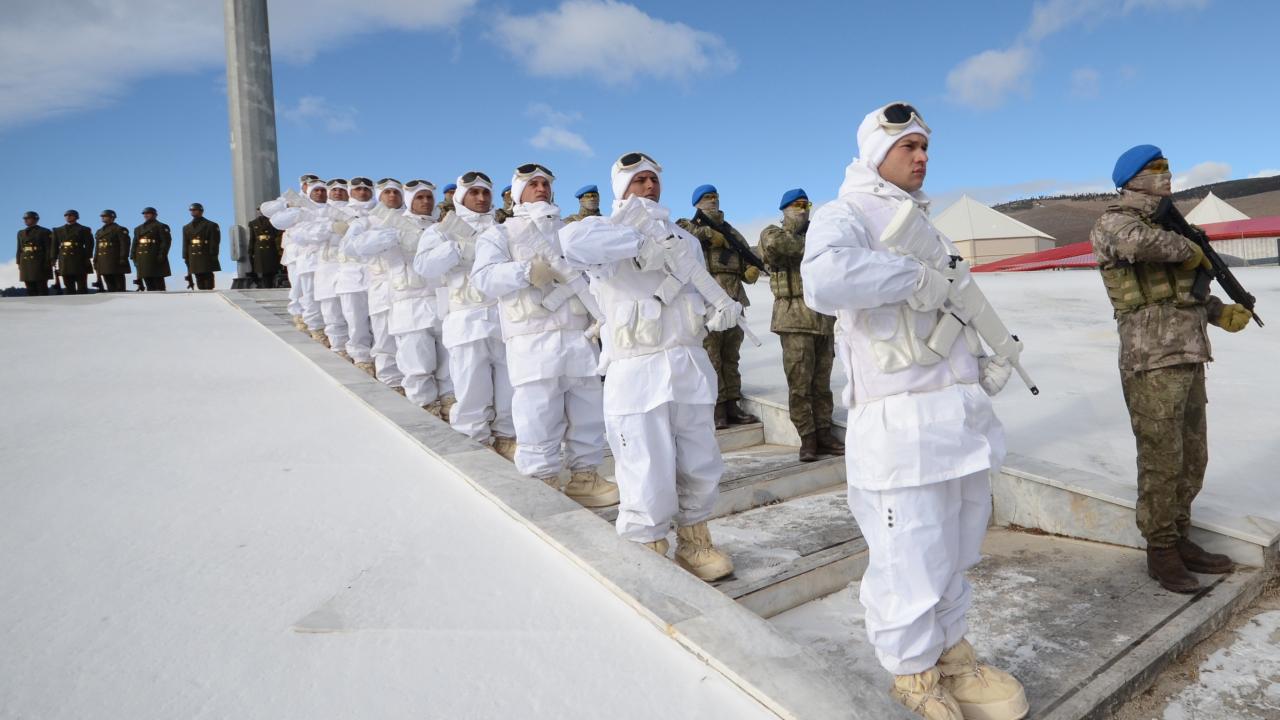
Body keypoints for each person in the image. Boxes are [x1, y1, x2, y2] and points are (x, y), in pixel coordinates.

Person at [801, 102, 1027, 720]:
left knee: (955, 551)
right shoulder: (845, 213)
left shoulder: (926, 224)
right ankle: (913, 675)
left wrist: (981, 363)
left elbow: (954, 310)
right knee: (910, 559)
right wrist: (910, 276)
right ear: (877, 153)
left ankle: (951, 654)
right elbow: (823, 280)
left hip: (957, 421)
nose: (922, 157)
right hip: (899, 427)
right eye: (909, 147)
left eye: (926, 146)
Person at [559, 151, 738, 581]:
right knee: (644, 466)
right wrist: (638, 241)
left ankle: (694, 540)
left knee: (699, 461)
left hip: (687, 366)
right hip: (636, 371)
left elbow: (692, 291)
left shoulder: (684, 240)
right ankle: (647, 548)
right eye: (638, 180)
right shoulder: (605, 231)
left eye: (653, 179)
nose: (648, 186)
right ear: (621, 188)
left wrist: (715, 312)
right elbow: (572, 244)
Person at [1090, 145, 1245, 594]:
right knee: (1161, 460)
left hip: (1189, 355)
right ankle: (1160, 552)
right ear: (1132, 180)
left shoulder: (1173, 228)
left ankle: (1179, 538)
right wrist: (1190, 247)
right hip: (1151, 360)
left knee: (1192, 457)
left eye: (1167, 167)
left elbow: (1183, 293)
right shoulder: (1115, 223)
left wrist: (1217, 311)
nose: (1167, 174)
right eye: (1156, 169)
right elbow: (1136, 244)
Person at [472, 163, 615, 506]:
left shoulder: (569, 231)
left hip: (579, 337)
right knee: (537, 415)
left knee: (587, 413)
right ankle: (542, 481)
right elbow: (483, 278)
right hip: (532, 340)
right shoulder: (501, 234)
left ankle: (585, 476)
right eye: (532, 184)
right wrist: (525, 271)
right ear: (517, 192)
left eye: (545, 184)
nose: (540, 189)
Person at [414, 171, 517, 458]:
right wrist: (456, 249)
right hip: (466, 321)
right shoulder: (442, 231)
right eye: (474, 192)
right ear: (461, 196)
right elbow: (423, 267)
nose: (481, 198)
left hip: (504, 320)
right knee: (472, 391)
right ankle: (476, 447)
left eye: (485, 192)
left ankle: (506, 439)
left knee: (509, 390)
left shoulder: (504, 229)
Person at [350, 180, 454, 416]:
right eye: (419, 197)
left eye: (429, 197)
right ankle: (425, 408)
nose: (425, 202)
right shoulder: (391, 225)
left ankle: (448, 402)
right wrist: (393, 236)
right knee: (417, 364)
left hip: (442, 301)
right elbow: (357, 247)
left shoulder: (442, 227)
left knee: (448, 362)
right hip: (409, 304)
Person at [759, 188, 844, 461]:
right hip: (793, 319)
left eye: (806, 205)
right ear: (784, 209)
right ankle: (807, 438)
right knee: (799, 384)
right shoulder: (771, 233)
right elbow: (779, 246)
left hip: (823, 319)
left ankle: (824, 433)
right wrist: (816, 242)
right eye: (796, 205)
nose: (803, 209)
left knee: (822, 385)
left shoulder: (818, 232)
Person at [677, 185, 761, 429]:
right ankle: (717, 408)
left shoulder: (731, 232)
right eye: (707, 198)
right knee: (711, 358)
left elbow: (744, 258)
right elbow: (679, 235)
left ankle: (733, 404)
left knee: (731, 357)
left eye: (715, 197)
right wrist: (707, 233)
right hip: (708, 305)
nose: (712, 201)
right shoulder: (687, 225)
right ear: (696, 203)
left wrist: (749, 271)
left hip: (734, 303)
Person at [344, 178, 407, 391]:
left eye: (396, 192)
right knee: (384, 336)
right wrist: (381, 238)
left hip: (410, 289)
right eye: (387, 192)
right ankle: (391, 382)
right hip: (382, 287)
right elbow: (350, 247)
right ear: (379, 196)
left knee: (412, 340)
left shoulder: (412, 219)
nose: (392, 196)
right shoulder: (366, 222)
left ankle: (411, 381)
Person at [264, 178, 328, 344]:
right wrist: (287, 205)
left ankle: (318, 324)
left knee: (319, 293)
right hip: (297, 254)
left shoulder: (329, 207)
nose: (319, 192)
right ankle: (301, 319)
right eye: (311, 186)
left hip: (322, 257)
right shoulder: (297, 203)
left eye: (322, 189)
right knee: (299, 289)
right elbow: (272, 216)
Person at [333, 176, 377, 375]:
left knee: (379, 323)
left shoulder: (380, 212)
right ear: (351, 191)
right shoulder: (339, 211)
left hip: (375, 274)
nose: (362, 192)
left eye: (366, 189)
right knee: (356, 321)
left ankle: (380, 360)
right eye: (358, 189)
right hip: (350, 274)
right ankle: (361, 359)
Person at [305, 178, 351, 357]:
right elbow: (307, 234)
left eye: (342, 190)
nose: (338, 193)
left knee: (353, 314)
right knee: (332, 311)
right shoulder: (318, 212)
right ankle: (339, 349)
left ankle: (357, 353)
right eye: (334, 190)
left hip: (351, 268)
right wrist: (330, 227)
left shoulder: (356, 212)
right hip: (327, 265)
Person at [53, 210, 95, 294]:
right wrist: (53, 258)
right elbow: (54, 245)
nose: (68, 217)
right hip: (64, 259)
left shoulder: (84, 229)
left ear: (76, 217)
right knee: (68, 285)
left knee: (81, 285)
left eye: (70, 215)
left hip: (79, 258)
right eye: (66, 215)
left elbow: (89, 244)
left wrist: (87, 257)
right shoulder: (57, 230)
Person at [132, 207, 172, 291]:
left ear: (155, 215)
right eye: (144, 214)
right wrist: (132, 254)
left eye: (148, 213)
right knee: (148, 281)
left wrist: (162, 254)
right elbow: (135, 243)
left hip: (154, 256)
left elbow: (166, 242)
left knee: (158, 282)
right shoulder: (138, 229)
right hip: (142, 257)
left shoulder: (161, 226)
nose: (146, 215)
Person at [182, 203, 221, 290]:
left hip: (205, 253)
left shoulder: (211, 225)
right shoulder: (186, 227)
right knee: (198, 275)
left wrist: (213, 254)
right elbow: (185, 243)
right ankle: (202, 291)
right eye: (191, 210)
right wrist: (185, 256)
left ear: (201, 211)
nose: (193, 212)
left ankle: (209, 292)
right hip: (193, 255)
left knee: (207, 275)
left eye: (195, 210)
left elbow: (215, 241)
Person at [93, 210, 131, 292]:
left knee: (118, 281)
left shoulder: (119, 229)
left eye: (105, 216)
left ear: (112, 217)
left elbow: (124, 244)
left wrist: (123, 257)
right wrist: (95, 258)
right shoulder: (99, 231)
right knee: (108, 281)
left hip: (114, 259)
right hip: (103, 259)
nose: (103, 217)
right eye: (102, 216)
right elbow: (97, 247)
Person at [16, 211, 53, 296]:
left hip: (39, 261)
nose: (25, 220)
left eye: (28, 218)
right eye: (25, 219)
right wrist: (18, 262)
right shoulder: (21, 233)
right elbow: (19, 249)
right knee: (30, 288)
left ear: (35, 219)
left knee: (41, 287)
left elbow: (48, 248)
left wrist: (48, 261)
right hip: (25, 262)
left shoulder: (44, 231)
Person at [247, 209, 283, 288]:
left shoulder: (273, 221)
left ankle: (270, 285)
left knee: (272, 270)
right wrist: (250, 251)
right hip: (259, 250)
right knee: (262, 270)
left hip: (271, 248)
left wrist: (279, 250)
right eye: (259, 210)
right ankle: (265, 285)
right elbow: (252, 238)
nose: (261, 212)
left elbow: (278, 235)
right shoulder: (253, 223)